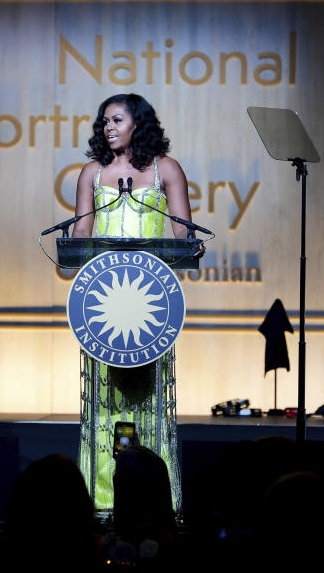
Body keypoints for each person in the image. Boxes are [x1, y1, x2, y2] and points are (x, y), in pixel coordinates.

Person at [71, 93, 194, 514]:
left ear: (138, 124)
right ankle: (105, 498)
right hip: (105, 307)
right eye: (104, 120)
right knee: (109, 404)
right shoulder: (92, 173)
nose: (108, 127)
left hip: (150, 305)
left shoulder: (167, 170)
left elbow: (183, 237)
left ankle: (153, 502)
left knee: (148, 402)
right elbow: (81, 238)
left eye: (117, 119)